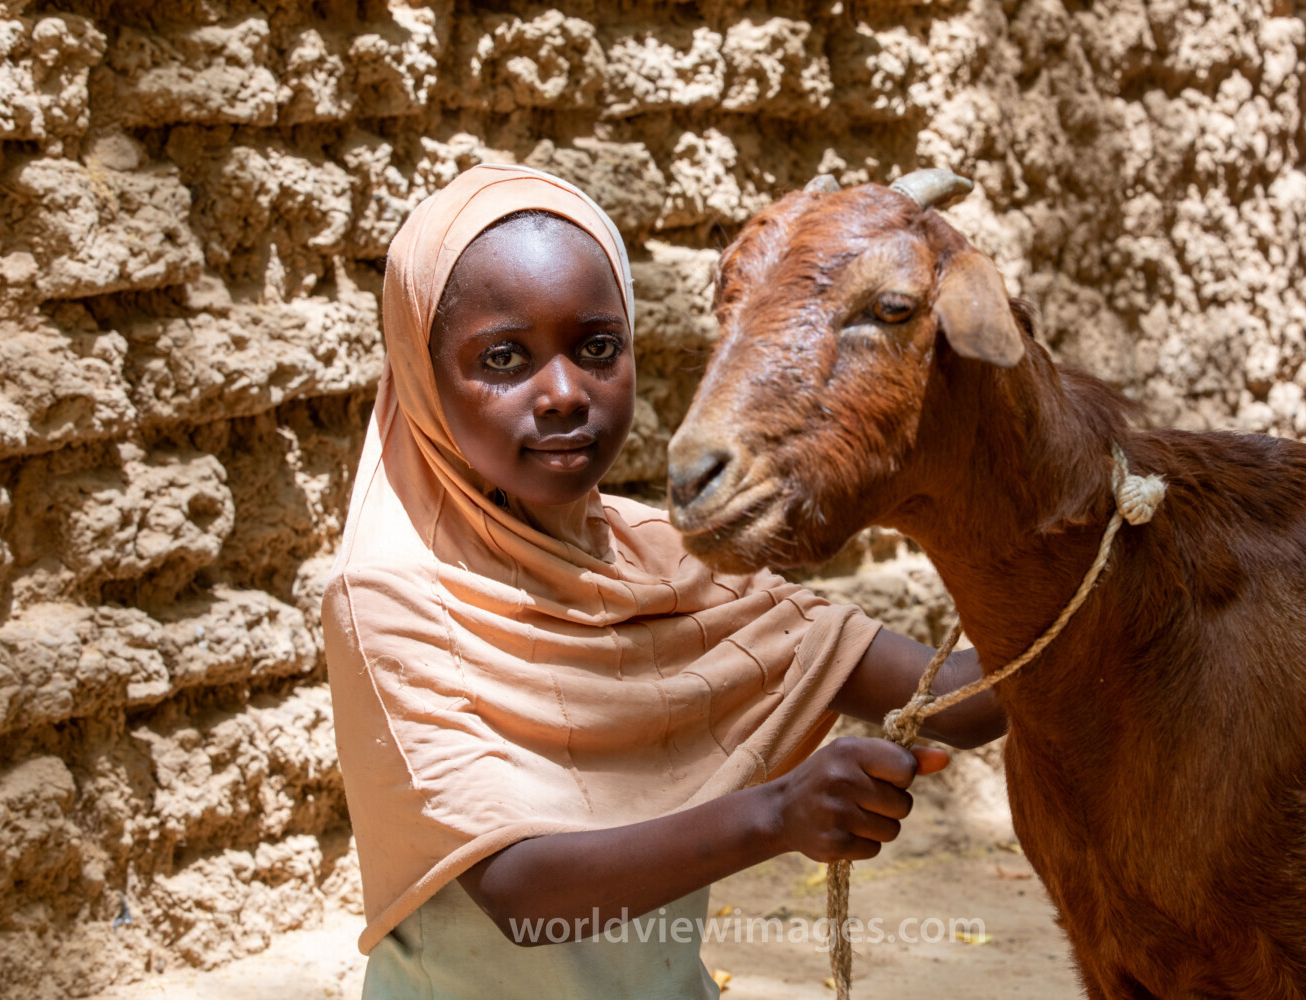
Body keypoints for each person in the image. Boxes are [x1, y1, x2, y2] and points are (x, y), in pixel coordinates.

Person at [321, 164, 1007, 999]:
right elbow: (516, 886)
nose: (566, 393)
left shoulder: (670, 562)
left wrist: (1027, 511)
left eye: (598, 347)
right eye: (504, 359)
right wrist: (778, 814)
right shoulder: (394, 595)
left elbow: (968, 702)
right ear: (423, 377)